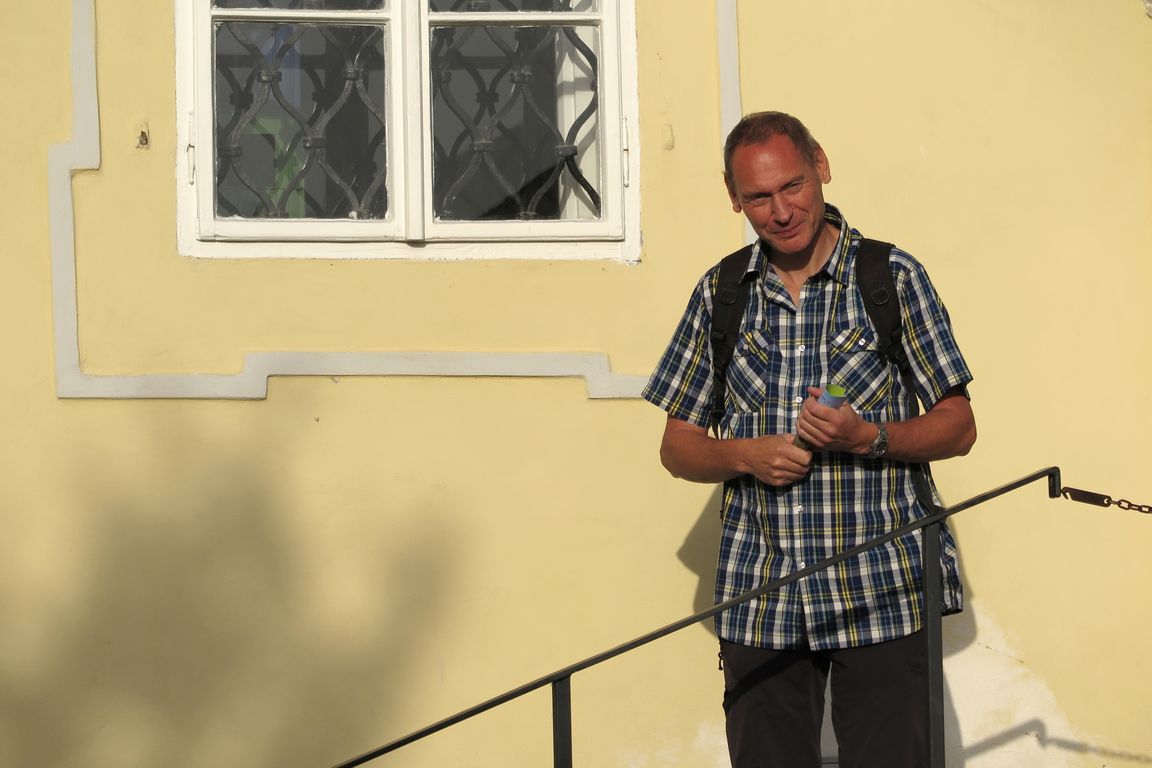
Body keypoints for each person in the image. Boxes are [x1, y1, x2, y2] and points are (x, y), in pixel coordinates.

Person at [641, 111, 976, 768]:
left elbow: (959, 425)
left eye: (791, 186)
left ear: (820, 165)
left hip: (880, 592)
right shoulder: (721, 292)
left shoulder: (891, 278)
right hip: (760, 596)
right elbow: (676, 446)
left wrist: (867, 436)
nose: (780, 211)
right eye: (758, 197)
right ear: (734, 198)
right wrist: (744, 454)